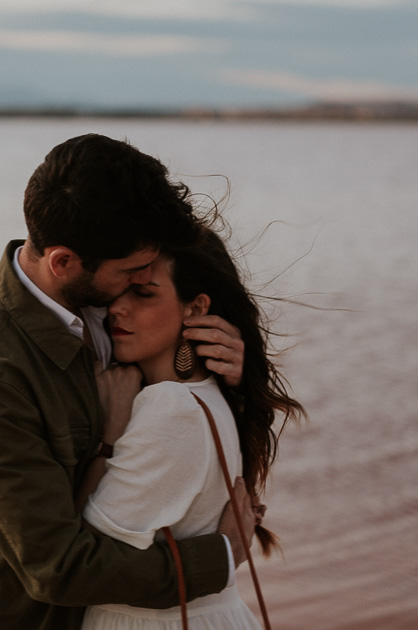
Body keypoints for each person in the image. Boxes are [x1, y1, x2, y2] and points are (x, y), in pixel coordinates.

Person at [0, 134, 256, 630]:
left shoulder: (117, 307)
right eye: (133, 272)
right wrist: (223, 555)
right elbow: (56, 567)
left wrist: (227, 379)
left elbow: (182, 457)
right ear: (63, 262)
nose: (140, 280)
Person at [80, 227, 305, 629]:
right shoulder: (211, 392)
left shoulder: (170, 407)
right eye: (119, 290)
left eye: (144, 294)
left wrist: (108, 438)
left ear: (195, 308)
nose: (117, 308)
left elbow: (81, 555)